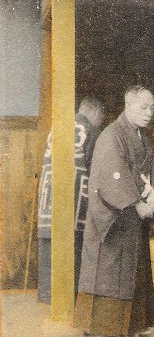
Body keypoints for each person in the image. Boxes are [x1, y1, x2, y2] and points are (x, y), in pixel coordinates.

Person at [73, 85, 154, 337]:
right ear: (128, 106)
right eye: (143, 107)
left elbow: (151, 172)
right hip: (114, 215)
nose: (149, 113)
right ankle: (107, 329)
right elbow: (112, 175)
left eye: (152, 107)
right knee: (111, 272)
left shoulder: (139, 135)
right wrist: (136, 204)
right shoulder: (111, 136)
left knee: (133, 271)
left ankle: (133, 323)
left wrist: (152, 195)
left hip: (133, 213)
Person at [37, 97, 106, 304]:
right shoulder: (92, 131)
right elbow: (97, 169)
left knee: (49, 244)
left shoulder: (58, 127)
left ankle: (48, 296)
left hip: (49, 194)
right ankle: (71, 298)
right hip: (77, 200)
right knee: (75, 247)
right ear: (95, 114)